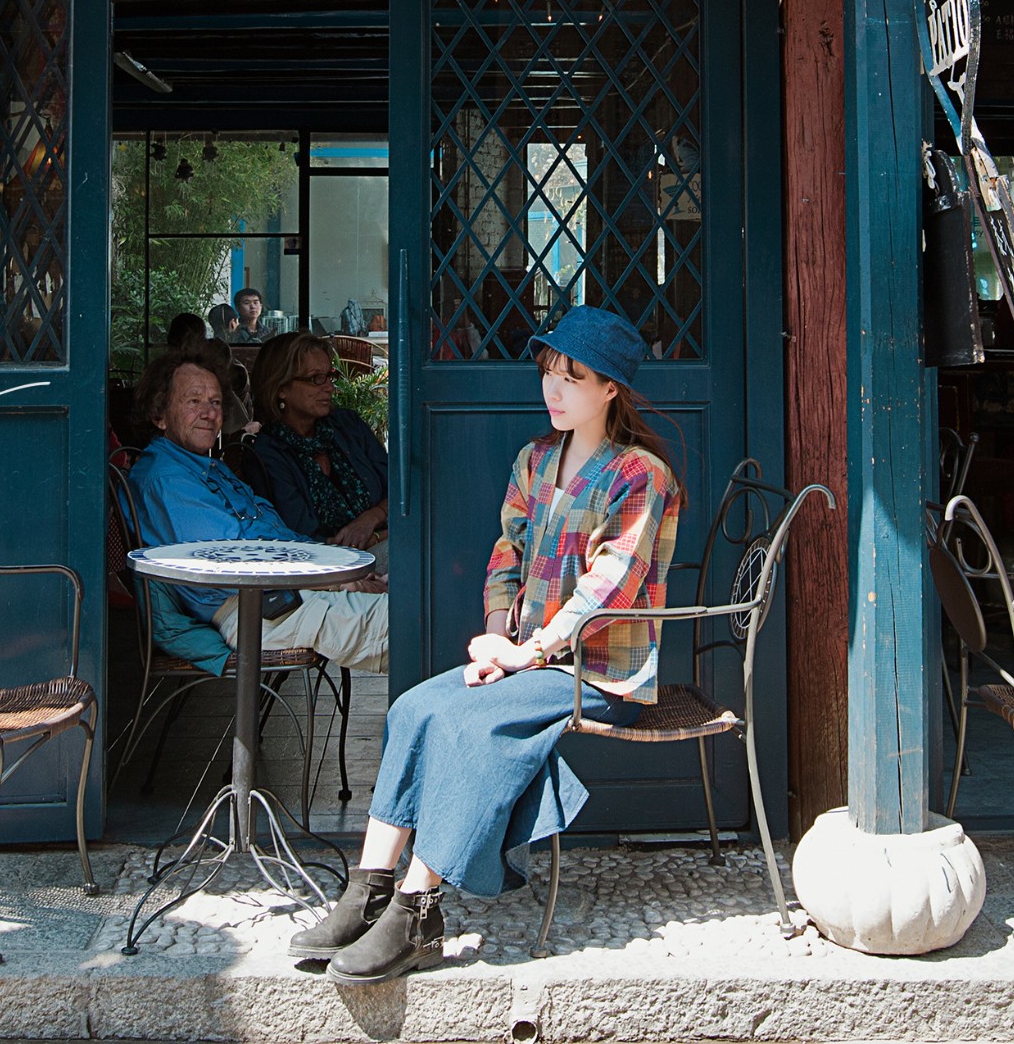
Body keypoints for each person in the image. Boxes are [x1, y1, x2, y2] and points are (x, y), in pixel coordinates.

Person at [287, 305, 681, 985]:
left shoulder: (639, 475)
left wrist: (531, 652)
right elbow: (507, 555)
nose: (553, 389)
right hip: (526, 660)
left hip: (597, 673)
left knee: (470, 727)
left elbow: (610, 586)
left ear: (610, 389)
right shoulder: (535, 459)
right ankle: (369, 890)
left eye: (573, 377)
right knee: (414, 709)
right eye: (549, 372)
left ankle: (418, 910)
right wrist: (498, 634)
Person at [125, 350, 387, 674]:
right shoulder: (166, 478)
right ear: (160, 415)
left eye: (216, 402)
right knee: (407, 623)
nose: (209, 413)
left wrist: (342, 573)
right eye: (194, 401)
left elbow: (273, 538)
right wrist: (337, 580)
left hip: (282, 593)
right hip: (252, 610)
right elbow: (239, 557)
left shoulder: (207, 468)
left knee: (413, 606)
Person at [248, 333, 392, 566]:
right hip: (328, 565)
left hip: (389, 540)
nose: (329, 388)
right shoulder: (269, 454)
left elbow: (400, 492)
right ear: (281, 387)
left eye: (329, 376)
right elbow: (303, 539)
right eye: (316, 379)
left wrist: (372, 518)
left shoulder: (348, 426)